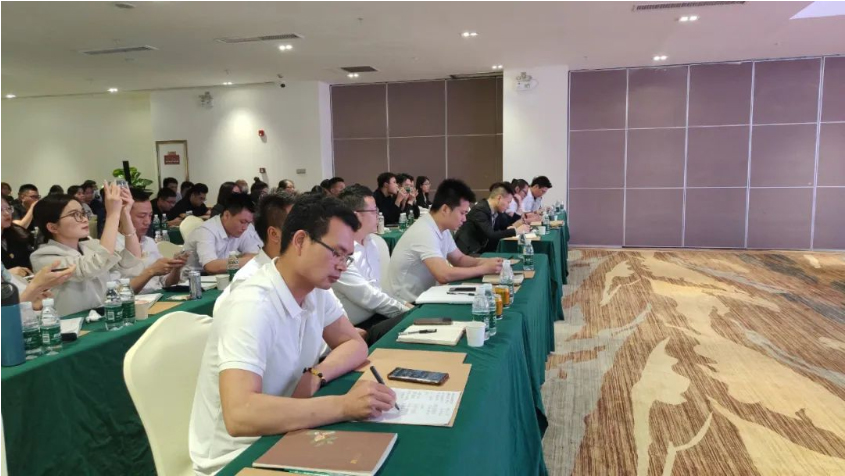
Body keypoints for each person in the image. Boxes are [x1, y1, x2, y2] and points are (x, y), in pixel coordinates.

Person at [189, 194, 394, 474]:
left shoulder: (316, 289)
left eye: (347, 257)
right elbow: (240, 414)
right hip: (238, 455)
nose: (342, 265)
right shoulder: (252, 303)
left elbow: (353, 343)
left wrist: (316, 375)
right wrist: (344, 406)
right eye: (335, 252)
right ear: (299, 241)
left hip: (287, 428)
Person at [29, 183, 145, 316]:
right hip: (69, 324)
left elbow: (131, 259)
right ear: (53, 227)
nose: (84, 219)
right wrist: (112, 214)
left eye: (83, 213)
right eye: (75, 214)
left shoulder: (91, 245)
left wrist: (124, 214)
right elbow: (92, 266)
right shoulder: (43, 256)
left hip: (103, 318)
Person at [386, 179, 503, 302]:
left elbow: (459, 259)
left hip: (426, 296)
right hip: (406, 304)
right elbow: (443, 275)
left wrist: (488, 262)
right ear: (445, 209)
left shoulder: (442, 228)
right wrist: (483, 269)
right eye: (462, 213)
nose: (464, 219)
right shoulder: (424, 231)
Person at [334, 185, 412, 345]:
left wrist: (405, 305)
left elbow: (379, 289)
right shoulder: (340, 252)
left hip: (379, 314)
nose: (378, 215)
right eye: (374, 211)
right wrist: (407, 311)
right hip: (358, 328)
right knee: (411, 321)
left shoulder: (373, 243)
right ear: (356, 216)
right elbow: (369, 297)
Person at [213, 192, 297, 314]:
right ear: (274, 234)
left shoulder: (302, 272)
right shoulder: (248, 283)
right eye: (297, 228)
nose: (308, 236)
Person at [181, 193, 262, 274]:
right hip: (193, 278)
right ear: (226, 215)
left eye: (248, 223)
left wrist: (247, 260)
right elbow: (210, 266)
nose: (245, 227)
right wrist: (245, 261)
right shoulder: (206, 231)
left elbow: (253, 254)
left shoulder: (242, 229)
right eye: (242, 222)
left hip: (219, 277)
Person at [126, 188, 187, 293]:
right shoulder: (114, 247)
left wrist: (176, 268)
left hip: (159, 296)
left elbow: (165, 282)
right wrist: (151, 271)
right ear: (124, 215)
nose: (147, 222)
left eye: (150, 216)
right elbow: (118, 292)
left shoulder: (149, 242)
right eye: (141, 216)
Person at [455, 182, 531, 256]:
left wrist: (513, 227)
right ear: (499, 198)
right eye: (508, 202)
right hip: (465, 252)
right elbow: (491, 235)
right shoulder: (480, 210)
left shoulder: (496, 211)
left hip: (480, 250)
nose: (508, 206)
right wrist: (516, 231)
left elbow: (507, 224)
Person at [2, 195, 34, 271]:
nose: (7, 213)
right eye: (0, 210)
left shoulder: (17, 233)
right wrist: (6, 274)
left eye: (9, 208)